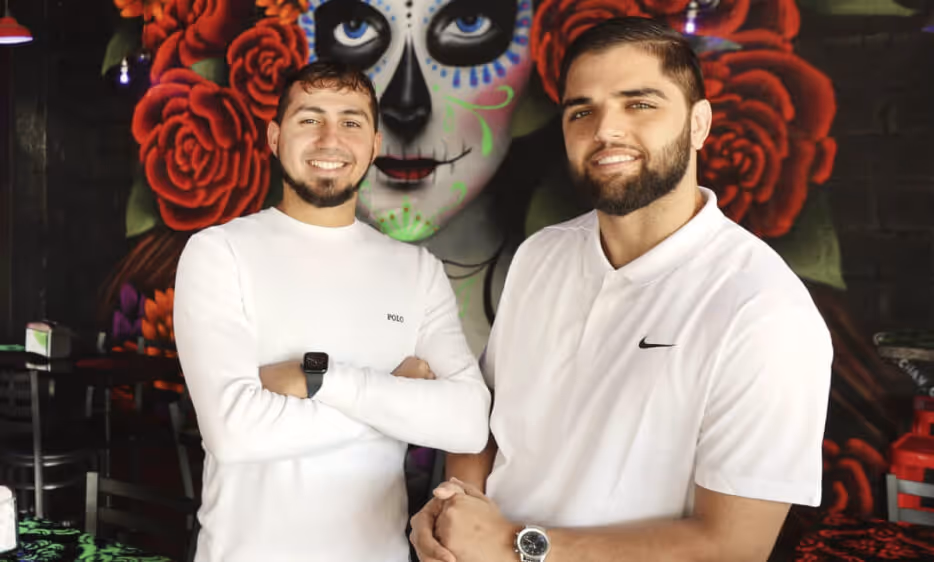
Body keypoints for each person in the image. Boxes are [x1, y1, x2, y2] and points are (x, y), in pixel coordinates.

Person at [410, 16, 833, 562]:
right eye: (582, 110)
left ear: (699, 123)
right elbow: (485, 424)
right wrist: (453, 511)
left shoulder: (764, 308)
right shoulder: (542, 254)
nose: (605, 130)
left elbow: (734, 545)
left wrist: (519, 548)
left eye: (640, 103)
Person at [173, 61, 491, 562]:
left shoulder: (416, 270)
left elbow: (468, 423)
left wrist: (319, 380)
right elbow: (234, 433)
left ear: (375, 144)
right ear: (275, 136)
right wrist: (397, 400)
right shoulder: (219, 252)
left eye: (351, 122)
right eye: (309, 119)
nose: (330, 139)